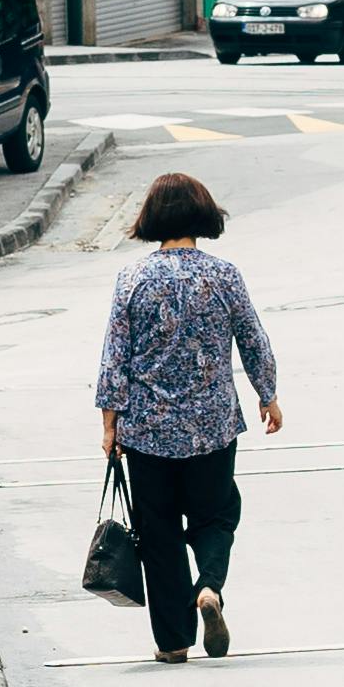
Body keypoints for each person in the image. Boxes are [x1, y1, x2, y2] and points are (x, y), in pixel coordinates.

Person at [94, 170, 279, 662]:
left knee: (158, 535)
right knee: (216, 514)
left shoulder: (131, 278)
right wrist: (268, 394)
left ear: (151, 219)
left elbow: (115, 357)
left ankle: (173, 643)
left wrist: (109, 424)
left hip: (148, 429)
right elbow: (253, 339)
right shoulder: (222, 275)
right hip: (212, 425)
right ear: (203, 216)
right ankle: (211, 589)